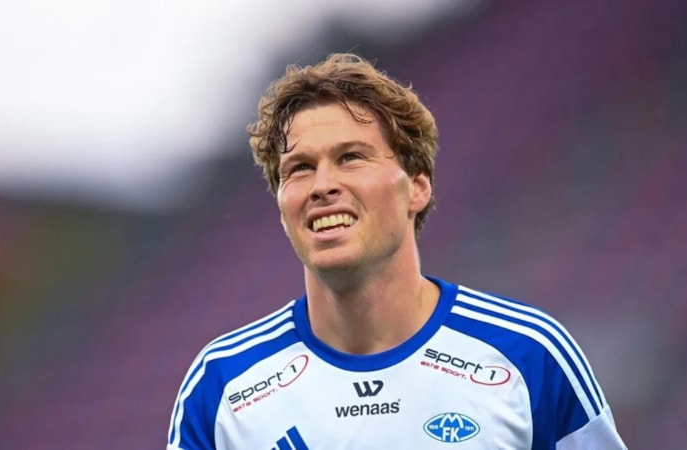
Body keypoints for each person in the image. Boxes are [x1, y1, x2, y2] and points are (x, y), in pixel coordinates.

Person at [167, 53, 627, 449]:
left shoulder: (528, 357)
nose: (323, 185)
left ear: (417, 188)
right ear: (282, 206)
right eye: (300, 168)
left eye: (351, 157)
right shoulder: (222, 387)